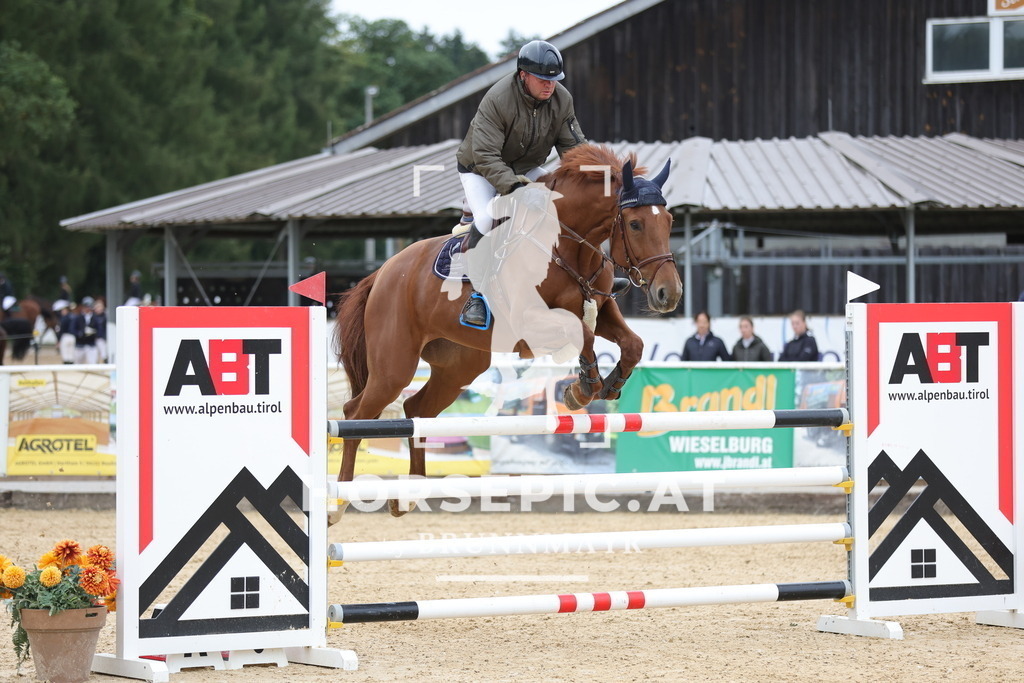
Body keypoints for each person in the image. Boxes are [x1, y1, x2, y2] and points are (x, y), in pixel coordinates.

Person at [454, 40, 588, 328]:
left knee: (567, 204)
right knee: (489, 218)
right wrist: (515, 189)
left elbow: (574, 151)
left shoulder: (561, 99)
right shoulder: (498, 99)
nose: (550, 85)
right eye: (543, 79)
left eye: (554, 79)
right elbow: (486, 156)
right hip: (480, 168)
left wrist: (597, 178)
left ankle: (588, 276)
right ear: (523, 75)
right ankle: (476, 296)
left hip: (525, 166)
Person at [74, 296, 100, 364]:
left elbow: (100, 329)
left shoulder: (95, 318)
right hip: (80, 344)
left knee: (93, 363)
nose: (87, 308)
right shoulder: (78, 318)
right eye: (86, 306)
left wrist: (94, 332)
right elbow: (72, 329)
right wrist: (80, 333)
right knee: (78, 363)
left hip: (91, 344)